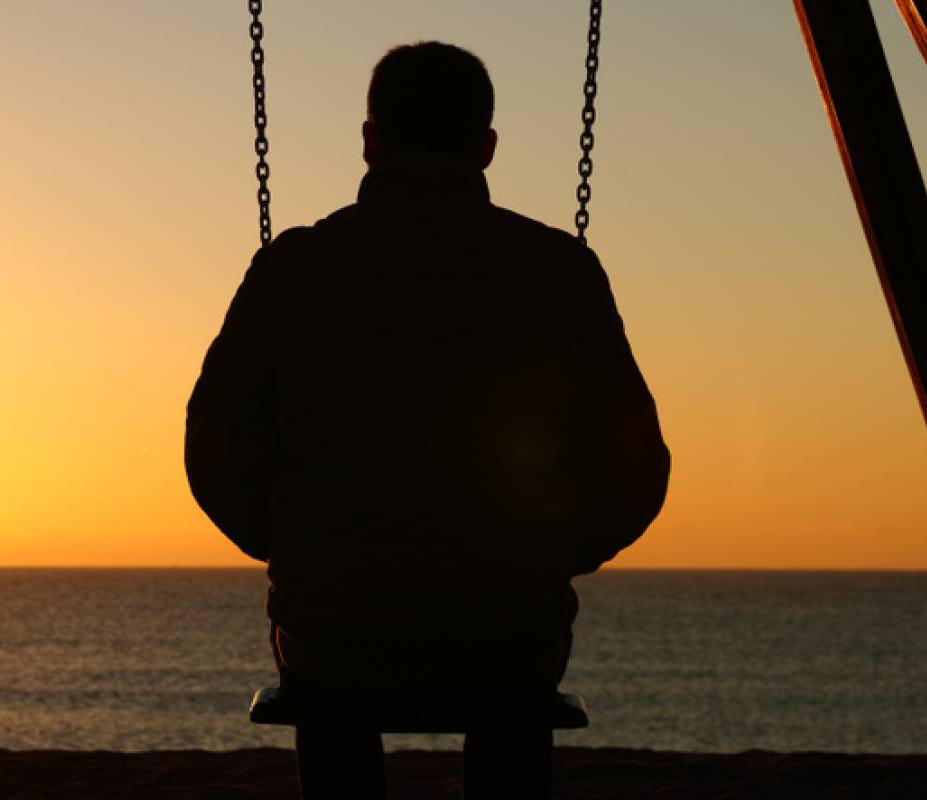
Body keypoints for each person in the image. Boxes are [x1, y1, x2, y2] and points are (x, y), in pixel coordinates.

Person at [185, 41, 669, 798]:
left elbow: (212, 449)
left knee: (331, 660)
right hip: (508, 628)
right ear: (486, 147)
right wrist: (551, 552)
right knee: (514, 661)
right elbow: (637, 469)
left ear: (371, 139)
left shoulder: (295, 268)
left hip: (335, 627)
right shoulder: (556, 270)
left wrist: (289, 543)